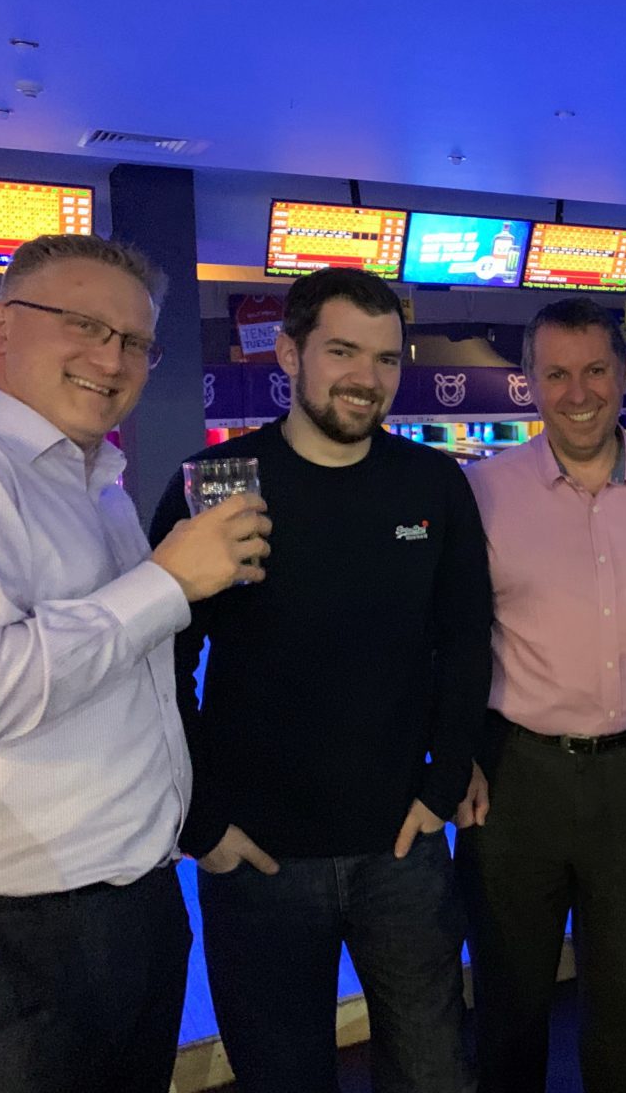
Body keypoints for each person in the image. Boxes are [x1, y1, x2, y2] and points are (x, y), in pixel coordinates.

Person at [0, 234, 269, 1093]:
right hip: (1, 933)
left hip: (124, 909)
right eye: (83, 324)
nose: (113, 357)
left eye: (135, 341)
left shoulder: (94, 483)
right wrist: (164, 581)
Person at [148, 267, 492, 1093]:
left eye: (384, 358)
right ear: (289, 351)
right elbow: (159, 661)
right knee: (283, 1078)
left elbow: (465, 639)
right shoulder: (217, 487)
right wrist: (204, 821)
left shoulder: (432, 485)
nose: (365, 379)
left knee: (435, 1072)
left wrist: (442, 786)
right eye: (342, 351)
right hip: (258, 859)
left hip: (402, 849)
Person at [455, 297, 626, 1093]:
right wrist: (455, 754)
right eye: (558, 374)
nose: (579, 392)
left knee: (622, 993)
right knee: (511, 1000)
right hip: (515, 777)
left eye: (596, 370)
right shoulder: (482, 494)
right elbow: (448, 634)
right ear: (530, 383)